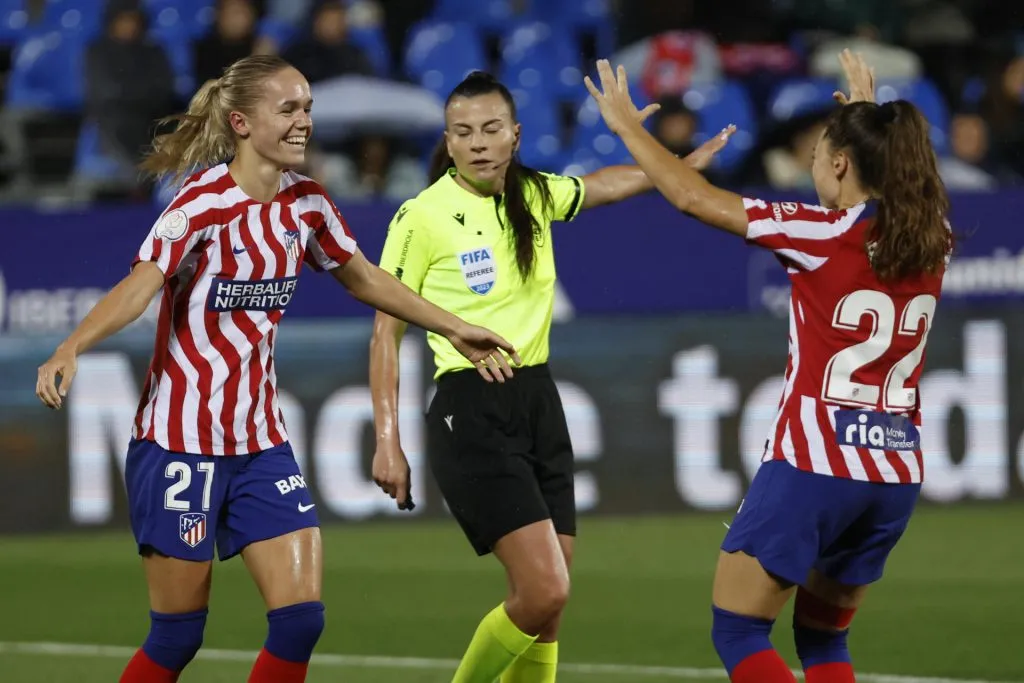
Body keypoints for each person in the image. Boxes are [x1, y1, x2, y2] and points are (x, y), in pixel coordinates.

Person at [35, 55, 520, 683]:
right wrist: (72, 344)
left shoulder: (307, 205)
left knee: (300, 621)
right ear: (240, 122)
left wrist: (453, 325)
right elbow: (141, 285)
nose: (303, 122)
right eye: (288, 109)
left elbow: (365, 279)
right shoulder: (200, 205)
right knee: (177, 637)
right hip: (180, 442)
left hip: (260, 440)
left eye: (308, 108)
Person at [585, 50, 951, 683]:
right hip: (894, 469)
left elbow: (693, 198)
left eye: (818, 158)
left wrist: (627, 128)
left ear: (840, 162)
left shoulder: (821, 234)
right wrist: (868, 118)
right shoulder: (934, 239)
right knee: (823, 642)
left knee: (739, 629)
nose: (812, 169)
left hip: (815, 465)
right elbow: (903, 179)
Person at [367, 70, 734, 683]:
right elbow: (386, 331)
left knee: (550, 609)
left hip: (538, 400)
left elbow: (600, 188)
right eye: (463, 132)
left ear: (514, 134)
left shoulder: (533, 193)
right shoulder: (421, 216)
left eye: (490, 129)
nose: (479, 143)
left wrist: (674, 168)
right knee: (542, 592)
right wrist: (386, 440)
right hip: (471, 407)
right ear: (449, 142)